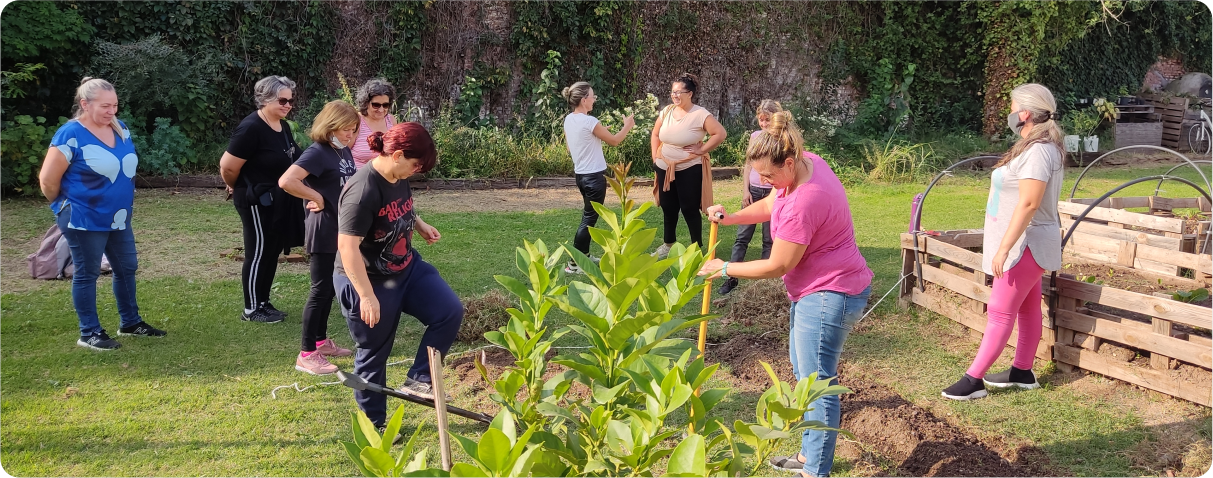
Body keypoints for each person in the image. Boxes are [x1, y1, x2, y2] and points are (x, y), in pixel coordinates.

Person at [698, 111, 873, 478]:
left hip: (830, 292)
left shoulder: (804, 201)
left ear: (789, 161)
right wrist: (729, 218)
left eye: (770, 174)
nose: (764, 181)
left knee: (816, 381)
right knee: (805, 372)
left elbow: (777, 265)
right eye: (759, 174)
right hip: (819, 289)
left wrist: (724, 268)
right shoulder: (808, 165)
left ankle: (815, 470)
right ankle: (810, 456)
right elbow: (769, 203)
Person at [941, 83, 1065, 401]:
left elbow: (1029, 204)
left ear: (1024, 113)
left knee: (999, 310)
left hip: (1026, 243)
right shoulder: (1034, 146)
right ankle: (1022, 372)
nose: (1009, 112)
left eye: (1012, 106)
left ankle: (973, 380)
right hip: (1025, 241)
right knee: (1025, 307)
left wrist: (1005, 248)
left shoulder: (1039, 151)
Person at [336, 122, 463, 428]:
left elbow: (401, 205)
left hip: (405, 267)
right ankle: (374, 425)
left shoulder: (397, 173)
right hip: (368, 278)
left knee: (449, 311)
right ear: (397, 154)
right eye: (416, 164)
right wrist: (366, 296)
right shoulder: (362, 190)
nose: (417, 171)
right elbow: (347, 247)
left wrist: (418, 224)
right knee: (374, 353)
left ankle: (419, 380)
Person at [37, 77, 168, 350]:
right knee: (87, 273)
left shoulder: (121, 129)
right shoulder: (69, 134)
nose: (112, 112)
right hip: (83, 216)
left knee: (126, 267)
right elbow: (48, 181)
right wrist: (65, 205)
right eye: (105, 106)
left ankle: (130, 322)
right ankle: (89, 332)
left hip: (118, 216)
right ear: (85, 104)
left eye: (115, 105)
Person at [279, 101, 360, 375]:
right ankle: (306, 354)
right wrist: (316, 197)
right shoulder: (317, 152)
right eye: (345, 129)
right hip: (323, 228)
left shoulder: (343, 150)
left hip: (341, 227)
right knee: (320, 289)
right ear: (330, 126)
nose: (350, 135)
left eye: (353, 130)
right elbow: (287, 181)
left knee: (329, 289)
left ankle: (321, 342)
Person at [219, 75, 305, 323]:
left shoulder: (283, 126)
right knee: (258, 252)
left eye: (290, 100)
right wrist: (237, 185)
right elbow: (227, 166)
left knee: (271, 250)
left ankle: (264, 302)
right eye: (282, 100)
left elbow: (297, 159)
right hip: (255, 199)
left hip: (277, 199)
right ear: (265, 98)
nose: (288, 105)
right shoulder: (251, 127)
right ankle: (251, 309)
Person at [560, 81, 635, 273]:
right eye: (592, 96)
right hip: (594, 178)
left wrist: (594, 134)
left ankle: (583, 255)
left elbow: (571, 146)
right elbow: (615, 141)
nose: (594, 100)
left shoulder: (569, 119)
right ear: (584, 100)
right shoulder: (590, 122)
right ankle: (574, 264)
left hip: (581, 177)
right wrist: (627, 125)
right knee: (588, 220)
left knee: (588, 216)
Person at [650, 73, 727, 258]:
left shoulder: (700, 114)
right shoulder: (667, 111)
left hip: (689, 167)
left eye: (679, 92)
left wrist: (702, 150)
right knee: (668, 207)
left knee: (689, 208)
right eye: (672, 92)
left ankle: (696, 248)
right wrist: (655, 158)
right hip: (664, 166)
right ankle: (668, 244)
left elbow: (720, 133)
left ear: (690, 94)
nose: (675, 95)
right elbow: (655, 135)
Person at [718, 100, 782, 295]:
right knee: (742, 237)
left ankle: (763, 283)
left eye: (767, 120)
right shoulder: (755, 136)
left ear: (776, 118)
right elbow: (748, 165)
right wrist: (745, 190)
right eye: (761, 120)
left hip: (771, 193)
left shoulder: (781, 140)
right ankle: (731, 278)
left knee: (768, 239)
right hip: (753, 192)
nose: (763, 124)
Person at [351, 78, 397, 169]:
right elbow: (343, 152)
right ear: (366, 103)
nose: (380, 110)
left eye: (385, 105)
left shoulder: (391, 121)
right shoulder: (356, 121)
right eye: (376, 105)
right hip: (359, 178)